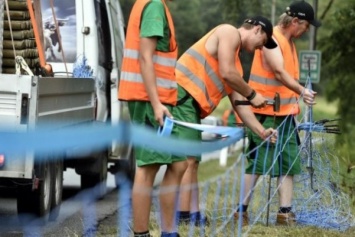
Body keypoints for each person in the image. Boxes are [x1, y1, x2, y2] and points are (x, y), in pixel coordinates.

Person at [173, 16, 278, 226]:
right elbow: (227, 74)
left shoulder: (236, 66)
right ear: (256, 29)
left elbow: (241, 106)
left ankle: (192, 215)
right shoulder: (229, 32)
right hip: (180, 96)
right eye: (262, 41)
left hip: (190, 105)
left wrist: (260, 130)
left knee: (193, 161)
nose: (260, 48)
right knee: (188, 160)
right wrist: (252, 93)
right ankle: (183, 216)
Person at [234, 0, 321, 227]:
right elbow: (280, 73)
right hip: (264, 113)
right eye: (306, 26)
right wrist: (303, 91)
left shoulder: (288, 41)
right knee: (257, 164)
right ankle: (240, 212)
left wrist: (296, 99)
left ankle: (284, 213)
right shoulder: (271, 39)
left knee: (288, 163)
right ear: (295, 22)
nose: (306, 31)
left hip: (285, 114)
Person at [118, 1, 187, 237]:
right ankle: (141, 233)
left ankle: (168, 232)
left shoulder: (153, 5)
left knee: (179, 164)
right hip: (149, 100)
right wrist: (156, 104)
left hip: (157, 99)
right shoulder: (154, 5)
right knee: (148, 168)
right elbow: (145, 57)